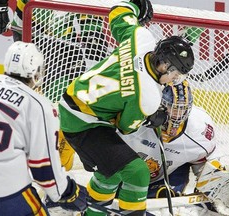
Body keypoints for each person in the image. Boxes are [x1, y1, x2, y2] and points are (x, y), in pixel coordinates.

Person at [57, 0, 195, 215]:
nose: (174, 79)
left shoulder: (141, 39)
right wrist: (149, 118)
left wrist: (136, 4)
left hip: (74, 101)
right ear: (165, 65)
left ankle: (92, 213)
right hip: (83, 124)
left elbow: (119, 12)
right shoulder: (148, 98)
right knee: (137, 171)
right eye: (175, 74)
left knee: (110, 170)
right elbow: (125, 128)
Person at [118, 81, 229, 216]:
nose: (177, 115)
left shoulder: (200, 128)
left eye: (182, 109)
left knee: (164, 208)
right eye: (172, 108)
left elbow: (203, 162)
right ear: (159, 104)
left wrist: (215, 179)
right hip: (122, 177)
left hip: (166, 179)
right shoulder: (133, 119)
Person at [0, 41, 88, 216]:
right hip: (4, 194)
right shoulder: (39, 106)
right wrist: (68, 192)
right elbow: (44, 170)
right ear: (37, 72)